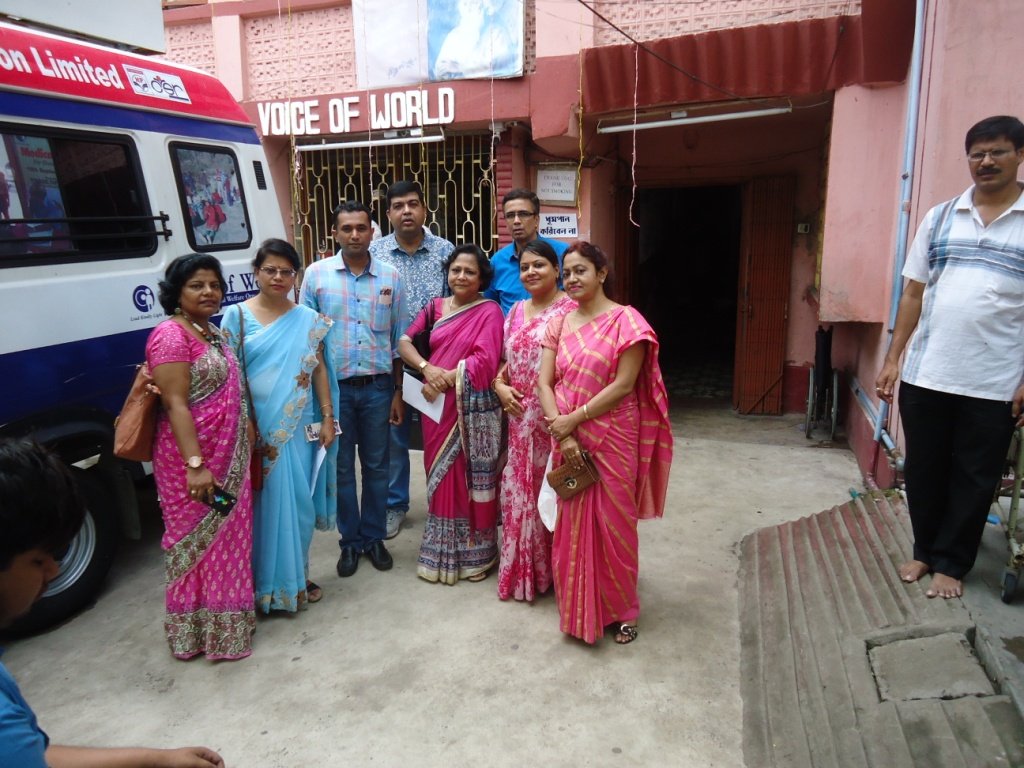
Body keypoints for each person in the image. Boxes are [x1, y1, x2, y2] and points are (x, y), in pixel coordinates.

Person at [0, 439, 226, 767]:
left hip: (218, 460)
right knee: (199, 548)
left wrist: (156, 761)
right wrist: (196, 463)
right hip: (197, 470)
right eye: (38, 559)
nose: (54, 571)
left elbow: (33, 752)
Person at [876, 115, 1024, 599]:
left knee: (975, 477)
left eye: (997, 151)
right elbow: (912, 293)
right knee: (924, 470)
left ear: (1019, 155)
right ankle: (924, 551)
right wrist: (893, 359)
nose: (986, 162)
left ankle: (952, 563)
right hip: (928, 373)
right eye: (977, 154)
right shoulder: (940, 217)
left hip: (994, 381)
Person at [537, 241, 673, 645]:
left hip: (613, 435)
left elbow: (624, 385)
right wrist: (564, 433)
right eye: (567, 272)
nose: (572, 278)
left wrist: (574, 420)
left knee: (616, 524)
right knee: (571, 524)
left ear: (601, 273)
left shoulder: (627, 322)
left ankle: (622, 610)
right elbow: (544, 383)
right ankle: (578, 609)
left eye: (580, 270)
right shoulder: (558, 324)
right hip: (566, 437)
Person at [221, 238, 339, 611]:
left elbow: (319, 369)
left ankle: (293, 581)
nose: (277, 277)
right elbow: (230, 377)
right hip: (253, 428)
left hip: (297, 424)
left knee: (298, 505)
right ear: (256, 272)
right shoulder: (236, 317)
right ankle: (259, 586)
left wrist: (327, 416)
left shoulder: (308, 319)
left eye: (286, 271)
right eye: (269, 270)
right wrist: (243, 423)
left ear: (295, 277)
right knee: (258, 508)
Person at [147, 254, 255, 660]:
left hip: (229, 462)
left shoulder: (213, 333)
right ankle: (191, 634)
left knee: (227, 539)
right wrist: (196, 466)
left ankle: (226, 629)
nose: (208, 292)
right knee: (192, 543)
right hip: (193, 467)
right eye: (196, 285)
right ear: (177, 293)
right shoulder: (170, 336)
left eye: (214, 285)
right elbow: (175, 404)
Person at [301, 201, 405, 578]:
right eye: (347, 228)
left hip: (378, 388)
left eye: (362, 228)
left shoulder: (391, 276)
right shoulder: (316, 276)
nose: (355, 235)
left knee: (377, 465)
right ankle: (350, 541)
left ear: (372, 232)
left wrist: (397, 391)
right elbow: (307, 340)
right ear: (335, 233)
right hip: (335, 392)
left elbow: (398, 339)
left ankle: (374, 537)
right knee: (341, 467)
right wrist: (318, 402)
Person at [398, 244, 504, 584]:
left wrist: (446, 378)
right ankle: (439, 552)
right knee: (440, 476)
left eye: (470, 271)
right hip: (435, 409)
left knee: (467, 478)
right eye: (456, 270)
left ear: (481, 278)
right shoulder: (434, 308)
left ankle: (477, 555)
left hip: (468, 410)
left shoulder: (489, 311)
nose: (461, 276)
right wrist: (427, 369)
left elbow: (486, 361)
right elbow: (404, 343)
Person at [370, 180, 454, 540]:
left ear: (423, 209)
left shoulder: (445, 251)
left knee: (441, 434)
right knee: (395, 436)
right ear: (388, 213)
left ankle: (444, 503)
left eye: (413, 204)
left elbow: (455, 302)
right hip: (391, 361)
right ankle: (394, 504)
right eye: (398, 205)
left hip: (437, 361)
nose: (407, 211)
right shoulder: (375, 253)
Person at [492, 239, 575, 601]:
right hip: (518, 418)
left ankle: (558, 574)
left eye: (539, 265)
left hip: (554, 419)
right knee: (519, 494)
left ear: (557, 270)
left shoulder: (571, 310)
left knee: (554, 495)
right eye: (524, 267)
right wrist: (498, 385)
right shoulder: (514, 311)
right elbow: (506, 361)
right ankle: (524, 575)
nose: (530, 272)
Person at [484, 189, 569, 315]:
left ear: (536, 220)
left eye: (523, 214)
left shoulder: (563, 253)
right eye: (510, 215)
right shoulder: (498, 261)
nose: (516, 221)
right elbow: (491, 306)